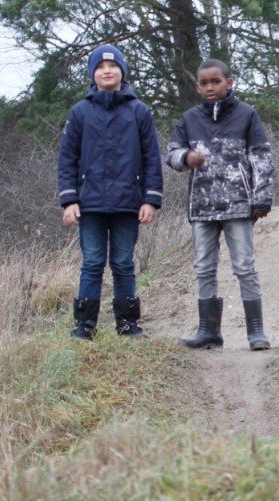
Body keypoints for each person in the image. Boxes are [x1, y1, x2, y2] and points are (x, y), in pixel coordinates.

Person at [165, 58, 275, 351]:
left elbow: (261, 157)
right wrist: (186, 158)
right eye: (204, 83)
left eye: (216, 82)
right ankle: (208, 332)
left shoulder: (247, 115)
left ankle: (256, 332)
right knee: (203, 268)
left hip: (239, 206)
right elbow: (171, 153)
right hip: (201, 207)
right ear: (198, 86)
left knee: (244, 267)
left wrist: (262, 197)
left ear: (229, 83)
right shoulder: (189, 119)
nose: (210, 87)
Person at [58, 43, 164, 340]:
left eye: (113, 66)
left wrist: (151, 200)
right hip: (89, 205)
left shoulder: (139, 111)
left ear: (122, 72)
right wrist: (69, 200)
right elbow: (67, 158)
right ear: (93, 74)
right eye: (101, 67)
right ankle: (84, 325)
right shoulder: (80, 112)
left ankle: (128, 324)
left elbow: (151, 157)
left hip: (129, 204)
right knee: (92, 263)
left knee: (123, 263)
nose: (107, 71)